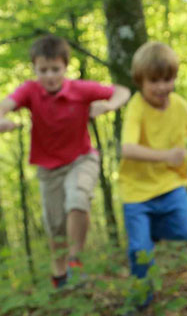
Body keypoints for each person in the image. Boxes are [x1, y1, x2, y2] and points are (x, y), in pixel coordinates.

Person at [0, 34, 131, 288]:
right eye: (43, 70)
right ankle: (59, 273)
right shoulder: (30, 90)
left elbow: (122, 91)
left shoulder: (80, 89)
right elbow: (5, 103)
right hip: (48, 168)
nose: (49, 75)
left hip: (81, 159)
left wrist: (108, 106)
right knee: (55, 224)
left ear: (65, 67)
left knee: (78, 198)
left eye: (55, 69)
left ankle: (75, 261)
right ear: (34, 69)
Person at [119, 41, 187, 307]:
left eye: (167, 79)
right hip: (136, 191)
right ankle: (141, 299)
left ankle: (153, 229)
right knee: (140, 251)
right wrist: (166, 156)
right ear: (140, 80)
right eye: (154, 81)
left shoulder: (178, 104)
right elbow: (127, 149)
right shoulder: (137, 106)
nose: (161, 87)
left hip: (170, 184)